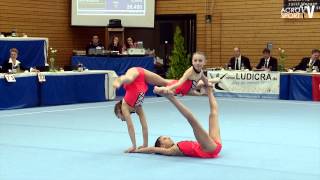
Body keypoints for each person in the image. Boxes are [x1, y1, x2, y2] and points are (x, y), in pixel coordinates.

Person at [131, 86, 222, 158]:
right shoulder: (171, 150)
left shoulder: (176, 145)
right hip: (208, 149)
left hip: (215, 145)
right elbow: (152, 149)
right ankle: (171, 97)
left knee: (213, 114)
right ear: (161, 146)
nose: (169, 138)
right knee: (192, 120)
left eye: (166, 137)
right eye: (165, 139)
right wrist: (136, 150)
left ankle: (209, 90)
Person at [113, 67, 172, 153]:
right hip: (141, 76)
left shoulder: (124, 105)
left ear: (119, 111)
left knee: (128, 79)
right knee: (165, 82)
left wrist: (134, 146)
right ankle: (188, 84)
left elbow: (130, 127)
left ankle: (119, 79)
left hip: (133, 73)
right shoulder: (137, 106)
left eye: (119, 117)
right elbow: (144, 125)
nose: (122, 120)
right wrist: (145, 144)